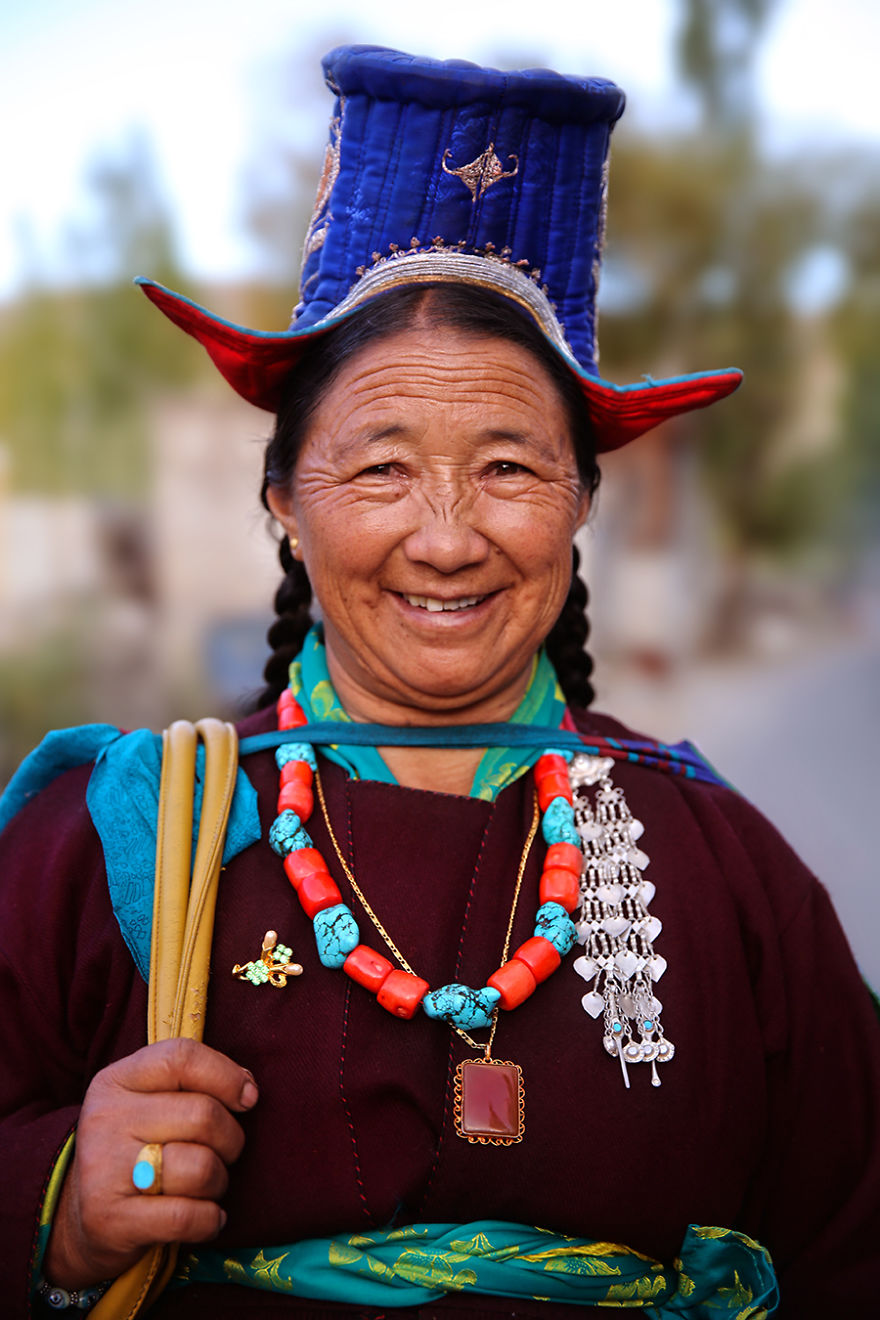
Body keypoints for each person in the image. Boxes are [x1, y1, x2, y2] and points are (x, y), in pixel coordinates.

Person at [1, 45, 878, 1320]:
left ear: (582, 501)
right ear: (284, 508)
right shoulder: (120, 830)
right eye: (381, 471)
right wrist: (60, 1204)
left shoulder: (721, 859)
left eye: (511, 469)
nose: (449, 535)